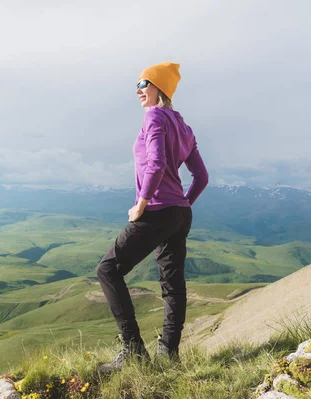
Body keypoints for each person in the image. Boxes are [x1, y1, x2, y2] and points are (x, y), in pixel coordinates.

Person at [96, 62, 209, 372]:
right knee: (173, 285)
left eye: (143, 83)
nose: (138, 90)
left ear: (159, 87)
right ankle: (168, 353)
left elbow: (156, 163)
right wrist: (183, 204)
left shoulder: (154, 116)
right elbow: (201, 176)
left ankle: (133, 349)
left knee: (107, 270)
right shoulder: (184, 127)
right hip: (179, 214)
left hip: (156, 210)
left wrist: (142, 203)